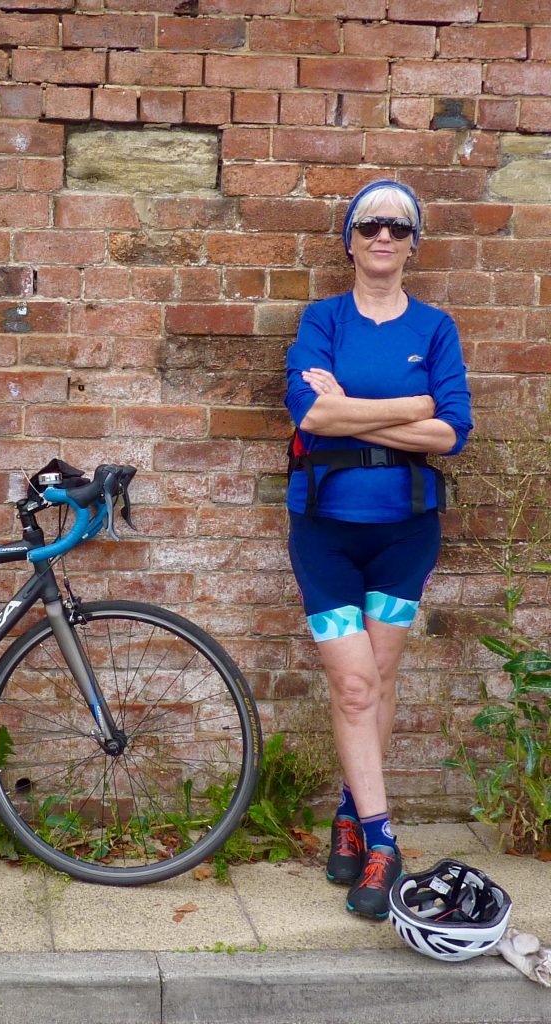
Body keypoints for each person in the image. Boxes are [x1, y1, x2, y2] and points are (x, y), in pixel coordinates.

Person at [284, 180, 473, 920]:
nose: (384, 237)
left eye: (398, 227)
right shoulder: (322, 319)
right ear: (351, 240)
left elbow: (451, 434)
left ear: (413, 243)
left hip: (406, 531)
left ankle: (347, 812)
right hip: (325, 527)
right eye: (370, 226)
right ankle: (383, 839)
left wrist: (352, 418)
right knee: (355, 684)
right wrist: (410, 406)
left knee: (382, 674)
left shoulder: (434, 329)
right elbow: (311, 412)